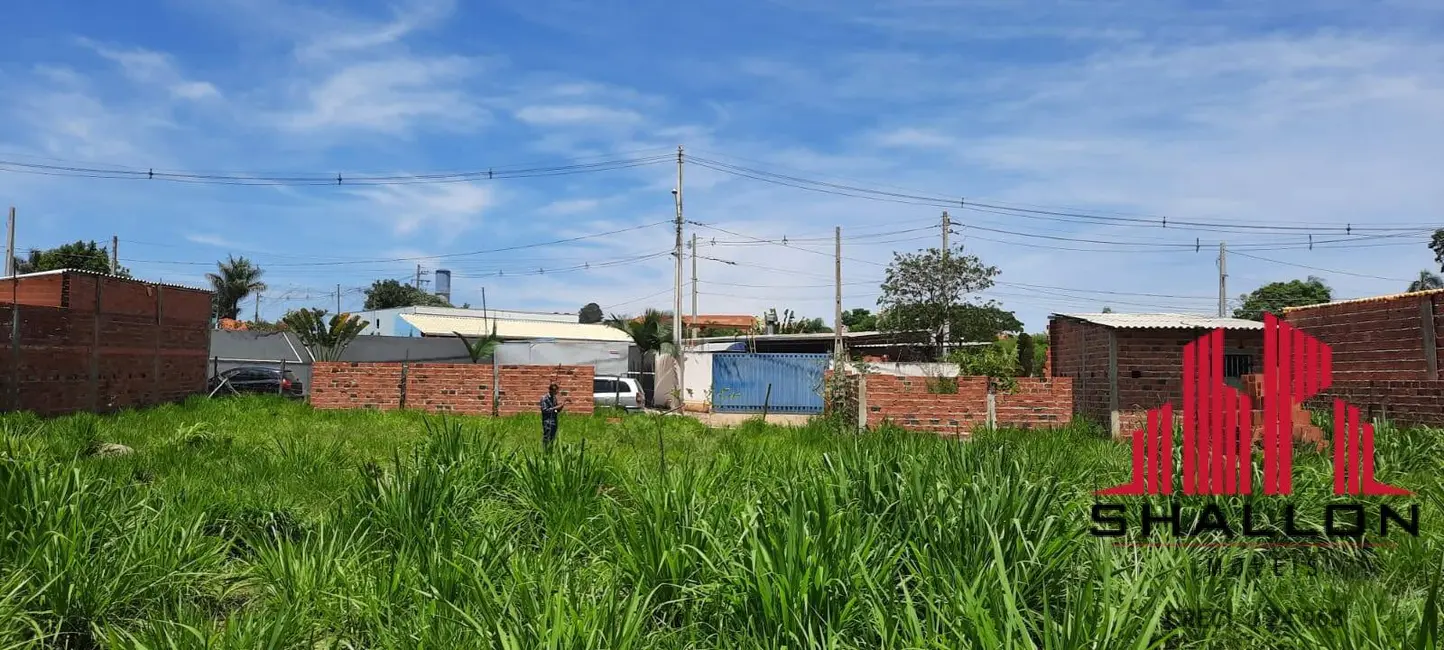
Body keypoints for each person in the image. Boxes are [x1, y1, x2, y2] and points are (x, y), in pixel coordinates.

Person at [539, 383, 566, 449]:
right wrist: (556, 407)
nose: (556, 393)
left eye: (557, 391)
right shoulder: (544, 398)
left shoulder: (554, 398)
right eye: (555, 391)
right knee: (547, 437)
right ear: (551, 390)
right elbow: (545, 410)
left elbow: (556, 410)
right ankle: (545, 451)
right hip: (547, 421)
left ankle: (550, 450)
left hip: (554, 420)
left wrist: (560, 407)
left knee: (552, 437)